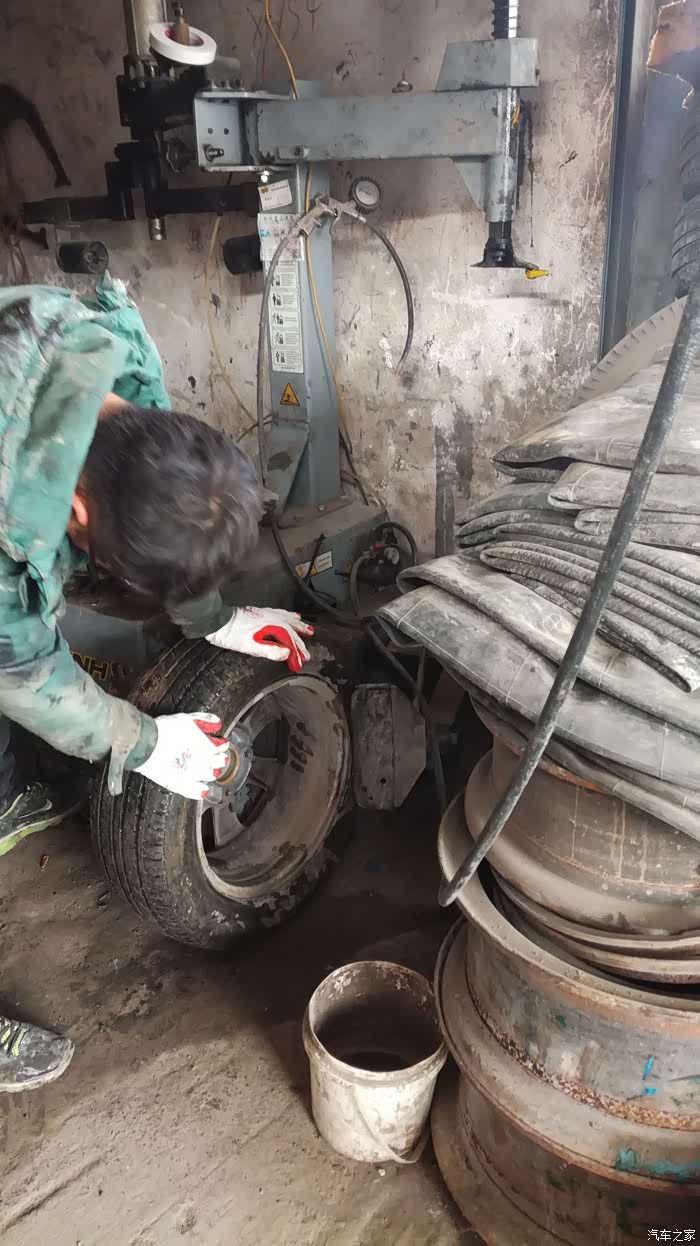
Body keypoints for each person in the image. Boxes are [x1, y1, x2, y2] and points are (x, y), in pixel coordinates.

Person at [0, 278, 313, 1094]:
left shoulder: (120, 376)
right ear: (76, 511)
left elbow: (149, 514)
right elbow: (18, 665)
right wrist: (140, 741)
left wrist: (217, 618)